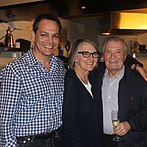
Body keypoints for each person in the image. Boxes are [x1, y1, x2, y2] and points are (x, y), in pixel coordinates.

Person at [0, 14, 65, 147]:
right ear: (33, 36)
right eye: (44, 35)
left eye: (55, 36)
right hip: (28, 142)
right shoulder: (15, 70)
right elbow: (4, 122)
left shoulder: (60, 67)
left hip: (56, 139)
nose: (50, 41)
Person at [96, 36, 147, 147]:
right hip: (100, 141)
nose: (113, 57)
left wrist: (129, 124)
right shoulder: (94, 78)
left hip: (130, 142)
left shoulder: (139, 81)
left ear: (124, 56)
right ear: (103, 56)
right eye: (108, 52)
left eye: (118, 52)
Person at [60, 39, 103, 147]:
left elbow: (115, 59)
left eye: (94, 54)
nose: (91, 58)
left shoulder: (93, 77)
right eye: (86, 54)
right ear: (75, 58)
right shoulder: (71, 80)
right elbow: (69, 124)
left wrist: (137, 66)